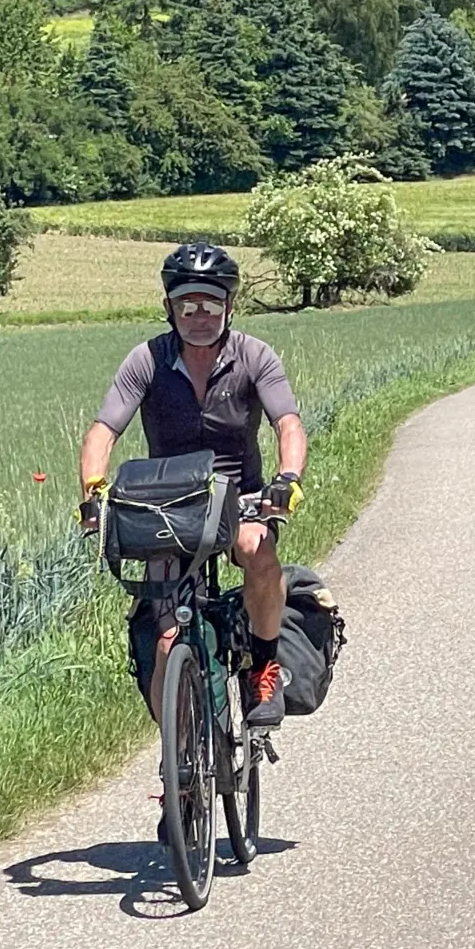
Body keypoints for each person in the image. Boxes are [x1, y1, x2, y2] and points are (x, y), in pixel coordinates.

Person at [78, 242, 307, 731]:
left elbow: (287, 422)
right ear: (169, 308)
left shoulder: (253, 356)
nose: (199, 315)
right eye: (187, 304)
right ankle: (177, 769)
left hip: (241, 498)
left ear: (229, 306)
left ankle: (262, 668)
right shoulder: (147, 360)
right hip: (170, 505)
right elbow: (103, 431)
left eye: (210, 303)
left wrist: (288, 479)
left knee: (259, 550)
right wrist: (93, 492)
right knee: (166, 640)